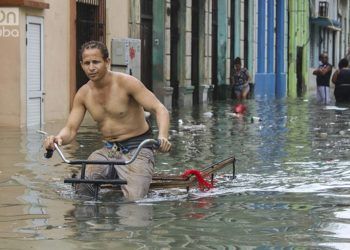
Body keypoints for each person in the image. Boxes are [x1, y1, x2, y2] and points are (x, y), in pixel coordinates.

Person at [44, 41, 172, 201]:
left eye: (96, 62)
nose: (91, 67)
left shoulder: (127, 83)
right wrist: (58, 139)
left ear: (107, 62)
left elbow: (160, 109)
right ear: (81, 65)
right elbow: (70, 129)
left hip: (138, 150)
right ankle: (90, 223)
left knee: (134, 200)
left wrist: (163, 137)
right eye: (87, 63)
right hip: (109, 151)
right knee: (83, 186)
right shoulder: (83, 94)